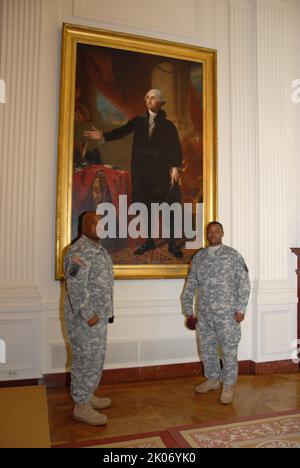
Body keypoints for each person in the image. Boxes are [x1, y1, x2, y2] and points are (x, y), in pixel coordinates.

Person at [83, 88, 183, 258]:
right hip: (143, 175)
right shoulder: (138, 121)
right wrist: (102, 136)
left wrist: (175, 167)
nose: (149, 100)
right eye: (147, 98)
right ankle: (149, 241)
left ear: (161, 102)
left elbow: (176, 148)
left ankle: (172, 243)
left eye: (153, 98)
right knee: (146, 209)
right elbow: (121, 132)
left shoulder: (168, 126)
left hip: (162, 174)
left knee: (168, 208)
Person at [181, 221, 250, 405]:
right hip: (204, 315)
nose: (213, 234)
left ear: (222, 233)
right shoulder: (199, 257)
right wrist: (188, 311)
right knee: (207, 349)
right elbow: (190, 285)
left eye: (216, 231)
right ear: (206, 234)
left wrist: (241, 309)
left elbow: (244, 283)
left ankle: (228, 385)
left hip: (227, 315)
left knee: (228, 350)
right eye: (210, 231)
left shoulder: (232, 256)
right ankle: (212, 379)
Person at [64, 211, 114, 425]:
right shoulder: (78, 251)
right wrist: (88, 314)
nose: (97, 226)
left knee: (95, 359)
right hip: (85, 320)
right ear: (82, 227)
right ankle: (81, 406)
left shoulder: (99, 250)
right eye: (92, 223)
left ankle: (88, 394)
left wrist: (106, 312)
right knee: (85, 360)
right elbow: (74, 285)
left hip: (99, 317)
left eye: (100, 223)